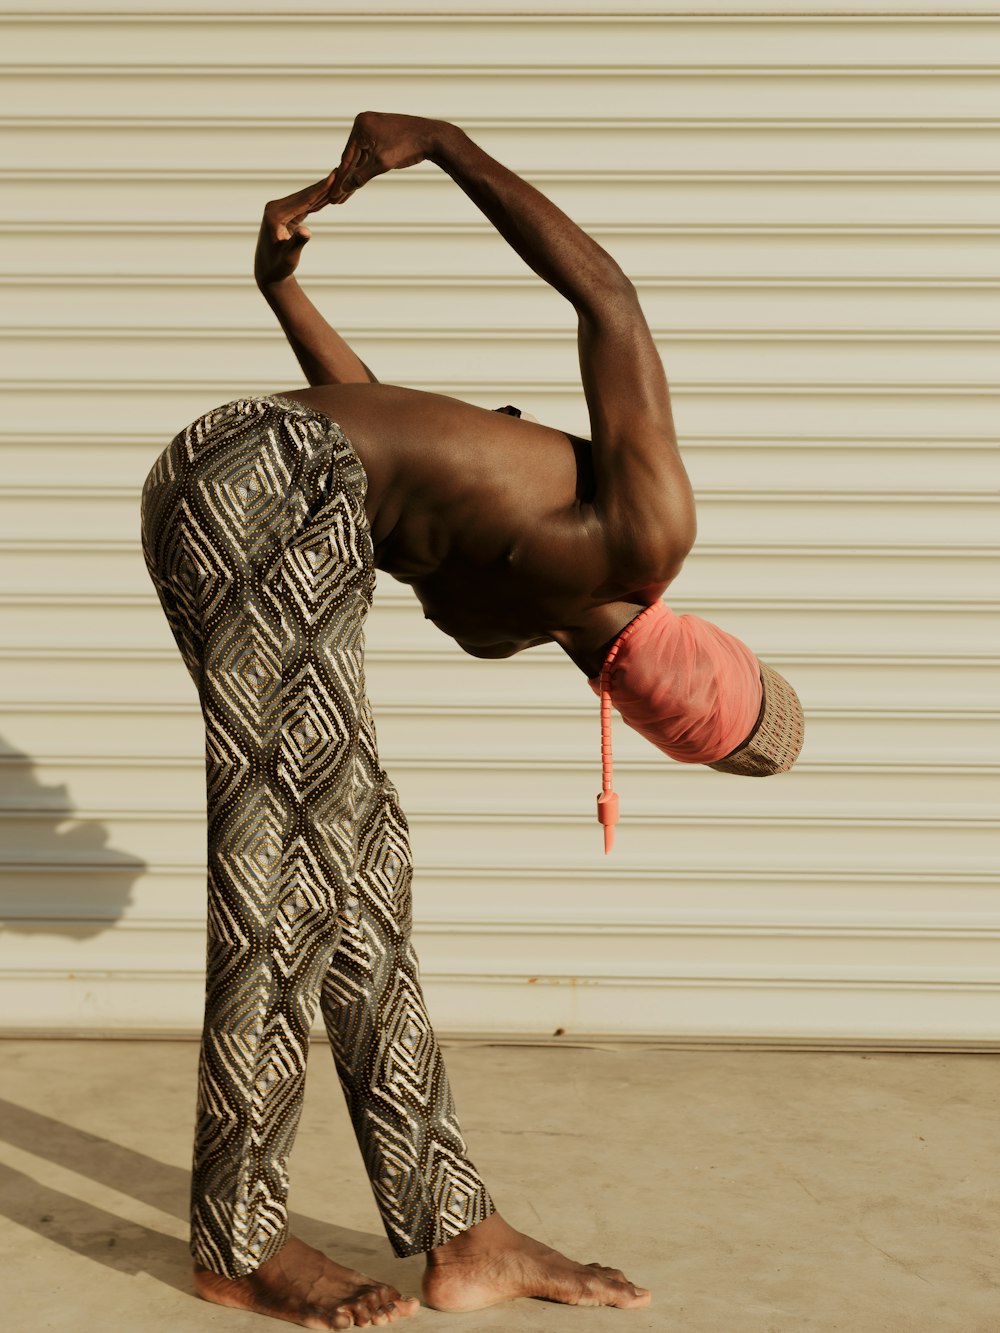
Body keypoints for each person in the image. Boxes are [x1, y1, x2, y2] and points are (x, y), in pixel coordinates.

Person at [140, 111, 802, 1330]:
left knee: (356, 866)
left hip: (260, 483)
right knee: (287, 868)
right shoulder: (532, 605)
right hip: (270, 488)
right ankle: (237, 1239)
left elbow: (570, 322)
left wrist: (301, 272)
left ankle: (460, 1229)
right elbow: (565, 321)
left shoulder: (603, 560)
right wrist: (437, 147)